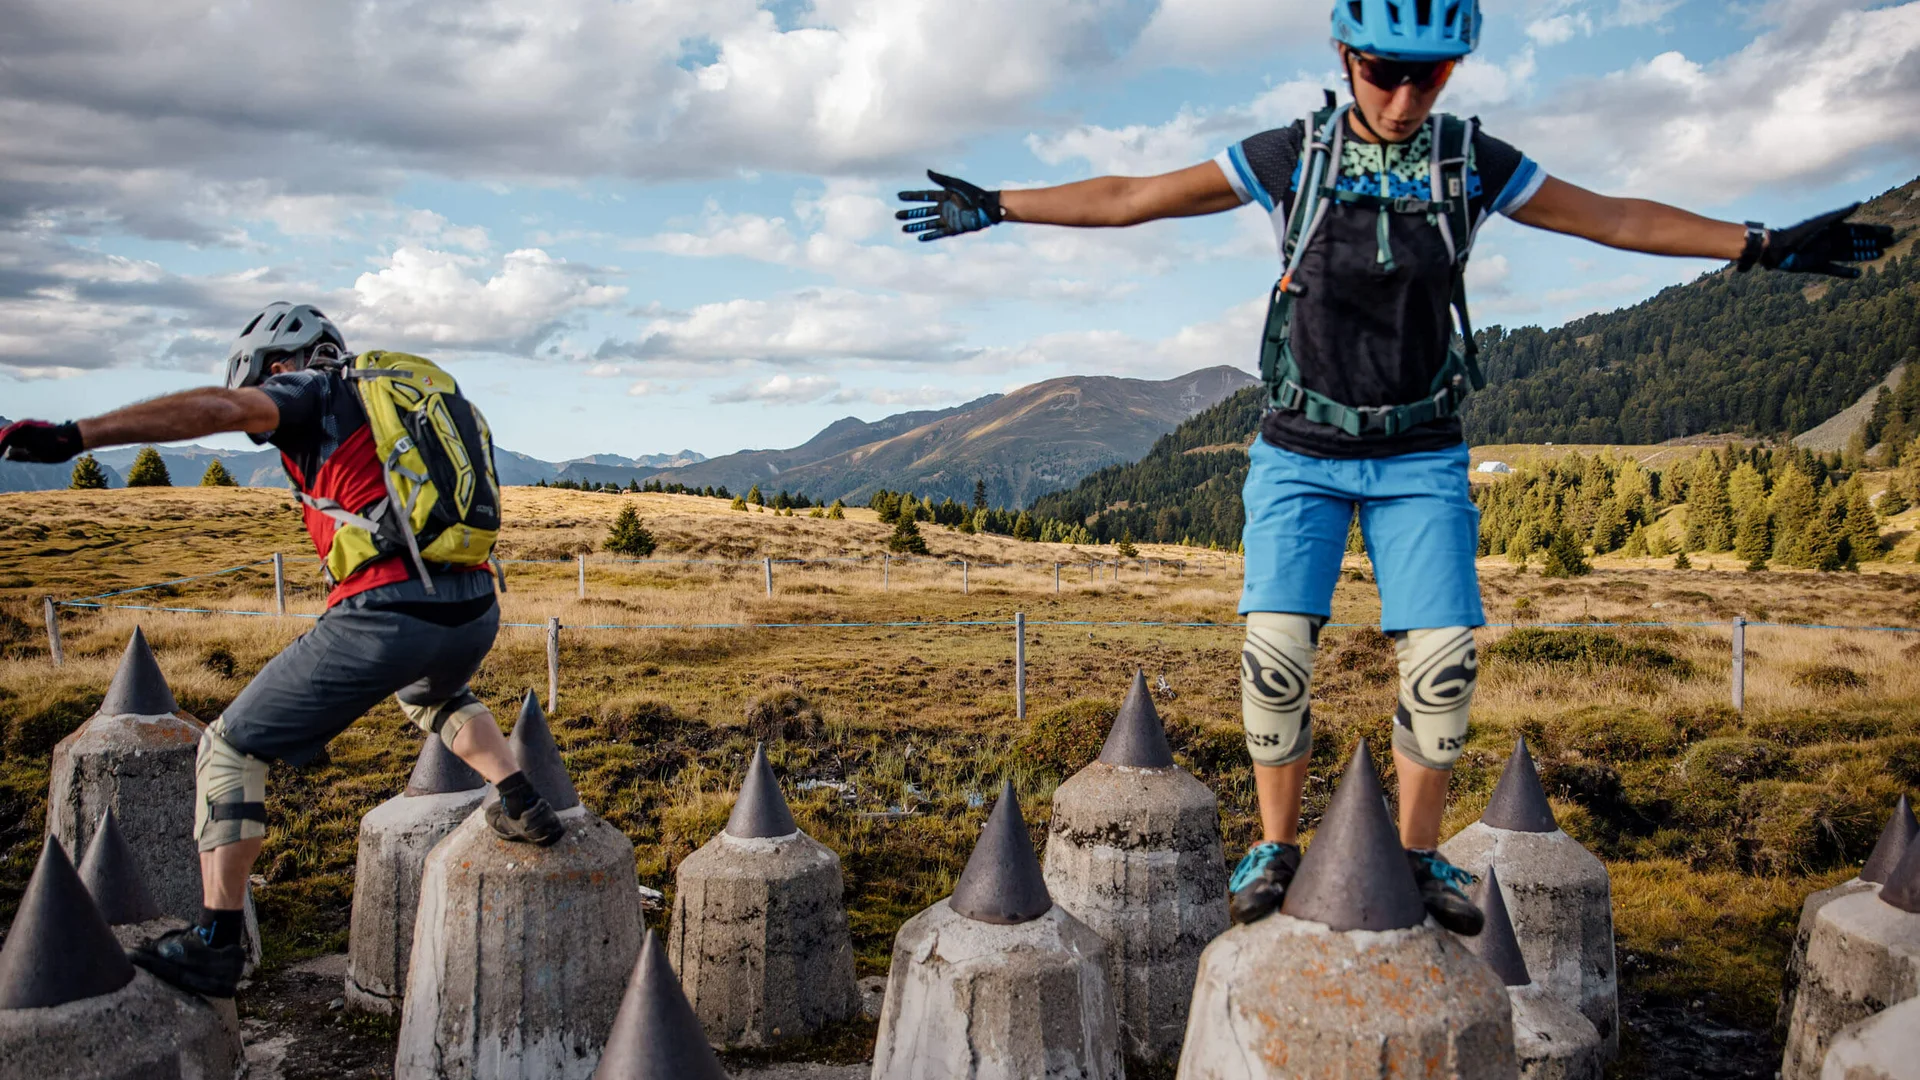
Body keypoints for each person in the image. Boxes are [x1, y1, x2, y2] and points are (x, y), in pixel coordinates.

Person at [895, 1, 1891, 932]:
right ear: (1344, 57)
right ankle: (1276, 847)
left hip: (1420, 448)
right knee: (1276, 652)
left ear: (1453, 69)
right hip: (1301, 448)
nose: (1405, 95)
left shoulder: (1468, 160)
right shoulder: (1297, 154)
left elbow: (1610, 219)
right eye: (1384, 72)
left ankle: (1417, 858)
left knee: (1443, 665)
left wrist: (1758, 243)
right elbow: (1136, 196)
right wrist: (1003, 204)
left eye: (1429, 75)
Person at [0, 302, 570, 996]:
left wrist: (76, 434)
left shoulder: (313, 391)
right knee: (430, 694)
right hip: (474, 608)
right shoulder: (392, 396)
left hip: (388, 611)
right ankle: (518, 797)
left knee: (230, 749)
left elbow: (212, 407)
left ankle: (215, 940)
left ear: (275, 365)